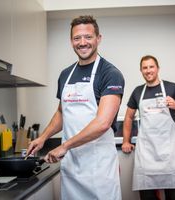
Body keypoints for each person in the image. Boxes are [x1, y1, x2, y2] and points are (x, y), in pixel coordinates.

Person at [26, 15, 124, 200]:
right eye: (77, 38)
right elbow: (62, 112)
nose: (82, 42)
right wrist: (43, 137)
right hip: (71, 165)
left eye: (88, 37)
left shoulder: (110, 74)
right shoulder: (65, 74)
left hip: (99, 167)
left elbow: (103, 123)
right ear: (71, 41)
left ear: (98, 38)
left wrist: (65, 146)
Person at [122, 55, 175, 200]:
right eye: (145, 68)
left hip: (169, 154)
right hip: (147, 154)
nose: (148, 70)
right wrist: (125, 141)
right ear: (141, 71)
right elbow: (128, 117)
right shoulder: (137, 92)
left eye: (151, 67)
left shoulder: (171, 87)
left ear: (157, 68)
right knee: (147, 196)